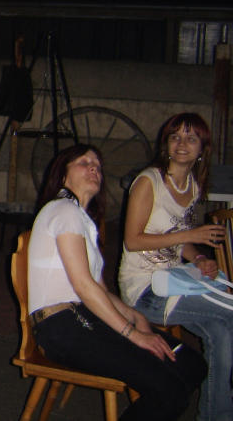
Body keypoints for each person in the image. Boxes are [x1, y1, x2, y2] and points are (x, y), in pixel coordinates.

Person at [29, 144, 205, 421]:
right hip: (61, 327)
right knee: (168, 389)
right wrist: (132, 334)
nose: (93, 168)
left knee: (191, 364)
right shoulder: (63, 210)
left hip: (84, 318)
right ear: (62, 176)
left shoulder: (81, 219)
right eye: (84, 162)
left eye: (98, 166)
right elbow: (84, 286)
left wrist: (135, 317)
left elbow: (99, 288)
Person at [119, 112, 232, 421]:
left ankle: (217, 415)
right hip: (145, 291)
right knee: (231, 311)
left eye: (191, 138)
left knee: (222, 331)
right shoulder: (149, 182)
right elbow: (132, 240)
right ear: (166, 144)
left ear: (202, 149)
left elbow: (176, 241)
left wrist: (199, 258)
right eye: (175, 137)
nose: (182, 144)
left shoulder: (191, 186)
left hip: (172, 280)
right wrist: (191, 235)